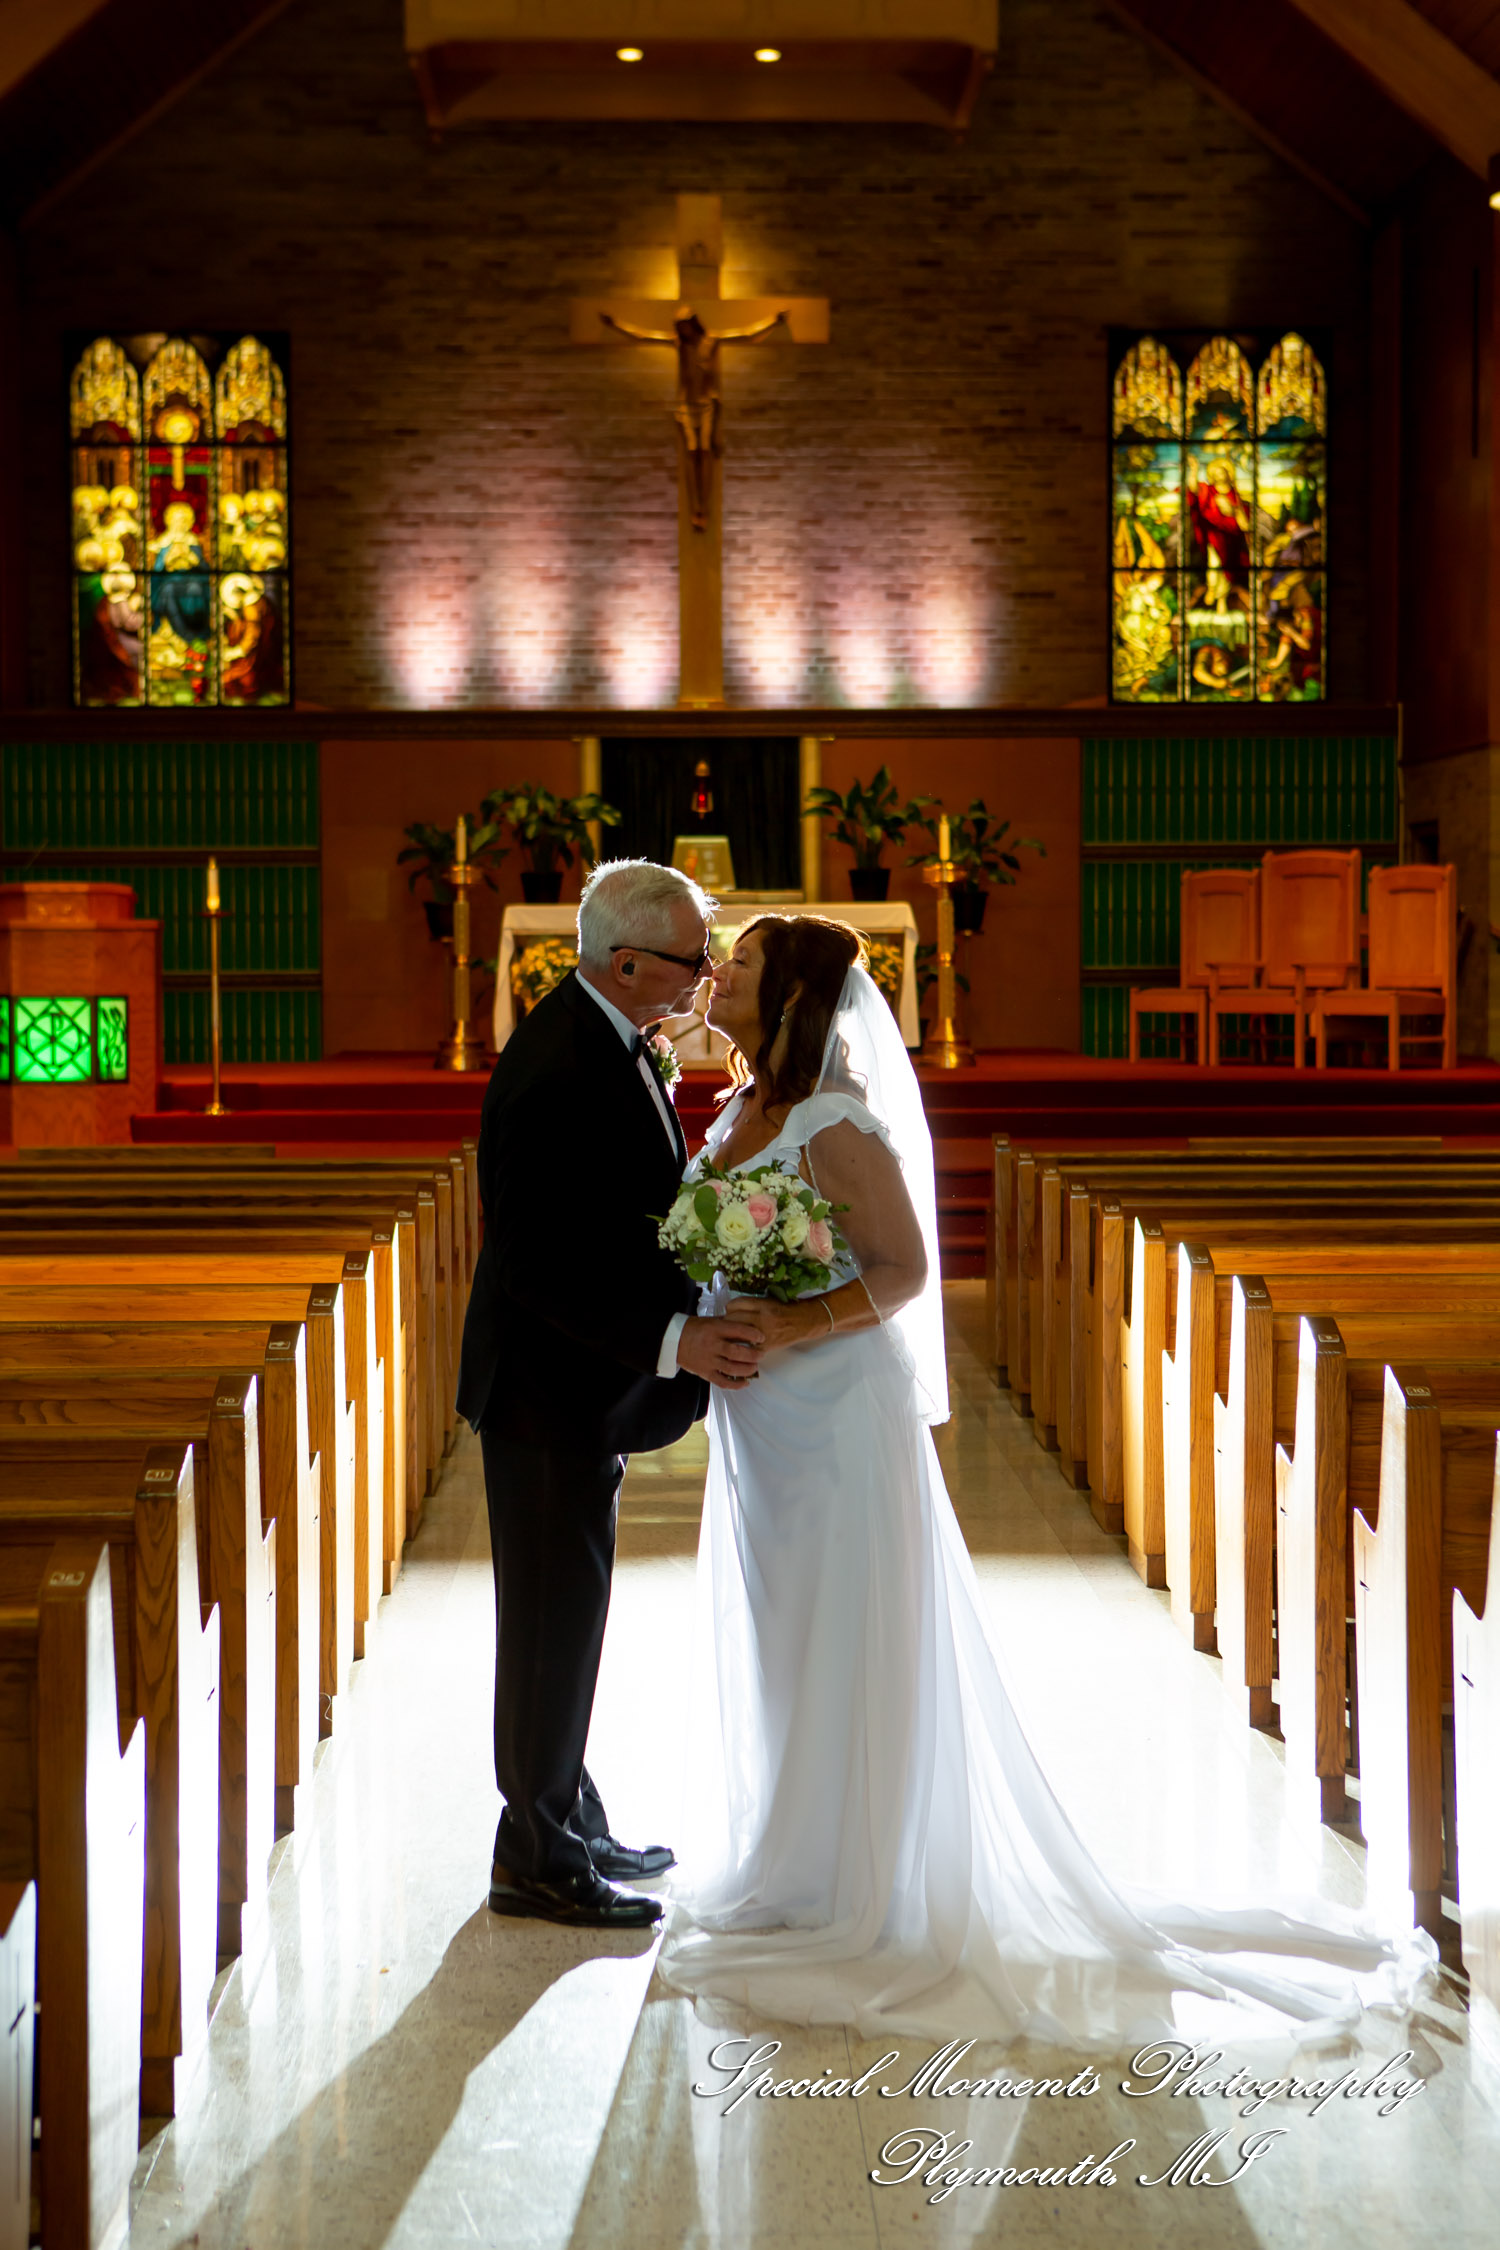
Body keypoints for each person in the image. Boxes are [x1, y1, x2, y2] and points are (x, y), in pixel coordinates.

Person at [655, 913, 1435, 2042]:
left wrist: (790, 1324)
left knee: (844, 1627)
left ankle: (855, 1883)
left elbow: (909, 1270)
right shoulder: (738, 1110)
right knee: (784, 1629)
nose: (716, 973)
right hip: (762, 1425)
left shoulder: (834, 1123)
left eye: (740, 963)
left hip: (833, 1416)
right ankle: (793, 1858)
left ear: (787, 1001)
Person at [456, 859, 765, 1931]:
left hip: (577, 1390)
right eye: (693, 959)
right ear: (627, 961)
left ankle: (565, 1815)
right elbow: (537, 1265)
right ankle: (535, 1854)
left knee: (568, 1616)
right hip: (546, 1389)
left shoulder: (607, 1033)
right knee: (548, 1622)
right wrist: (676, 1338)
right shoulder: (557, 1063)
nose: (706, 975)